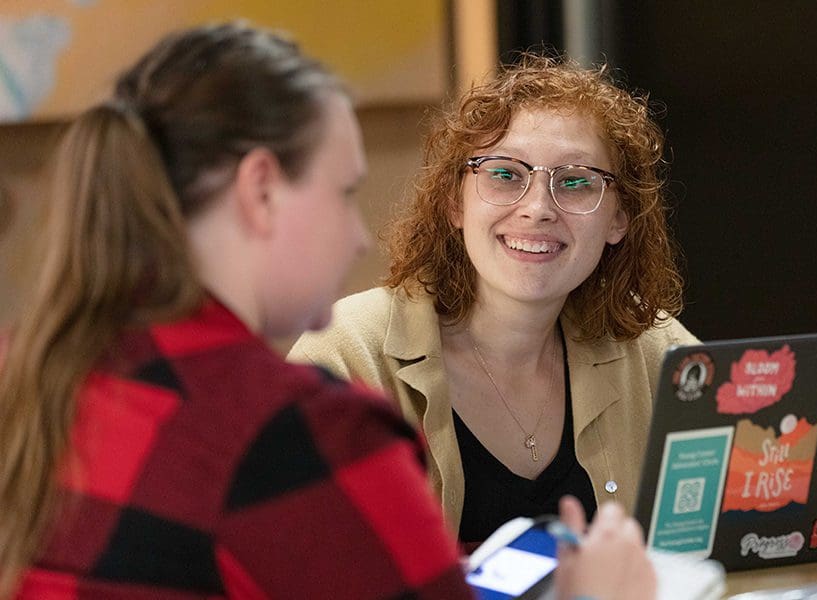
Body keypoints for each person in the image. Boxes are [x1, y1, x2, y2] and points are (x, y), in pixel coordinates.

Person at [0, 22, 656, 600]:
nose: (358, 236)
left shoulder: (47, 370)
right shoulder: (304, 432)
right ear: (261, 190)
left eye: (574, 183)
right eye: (344, 193)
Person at [290, 54, 700, 547]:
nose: (537, 209)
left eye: (575, 182)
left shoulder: (658, 354)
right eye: (505, 175)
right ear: (454, 202)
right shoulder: (342, 358)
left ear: (618, 219)